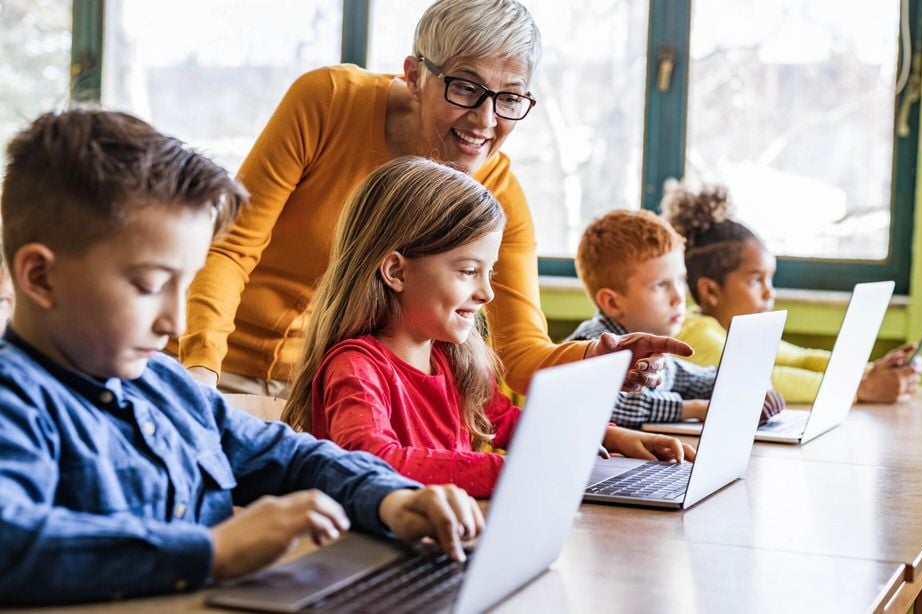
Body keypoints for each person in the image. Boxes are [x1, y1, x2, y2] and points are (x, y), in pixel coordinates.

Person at [0, 110, 482, 606]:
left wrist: (391, 500)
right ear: (39, 277)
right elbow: (11, 540)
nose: (176, 325)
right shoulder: (14, 402)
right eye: (148, 286)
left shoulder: (164, 383)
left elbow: (289, 456)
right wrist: (210, 551)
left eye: (185, 287)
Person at [174, 0, 688, 399]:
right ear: (416, 74)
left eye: (509, 98)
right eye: (465, 88)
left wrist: (598, 359)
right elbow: (230, 248)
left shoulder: (499, 195)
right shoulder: (328, 102)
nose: (485, 122)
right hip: (225, 371)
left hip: (339, 394)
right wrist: (200, 370)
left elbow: (521, 352)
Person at [282, 157, 695, 498]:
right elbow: (372, 460)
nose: (486, 294)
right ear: (395, 270)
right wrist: (510, 472)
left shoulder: (449, 359)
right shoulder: (356, 367)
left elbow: (511, 423)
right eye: (466, 271)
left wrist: (608, 436)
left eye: (489, 273)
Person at [662, 181, 922, 404]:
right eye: (755, 281)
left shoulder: (736, 331)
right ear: (710, 291)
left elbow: (802, 359)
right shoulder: (695, 335)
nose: (769, 294)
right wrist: (863, 388)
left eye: (770, 280)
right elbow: (759, 380)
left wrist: (873, 370)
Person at [567, 209, 784, 428]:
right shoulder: (590, 345)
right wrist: (696, 409)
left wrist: (751, 386)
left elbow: (694, 380)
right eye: (661, 285)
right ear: (613, 303)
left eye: (680, 280)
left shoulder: (656, 351)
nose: (679, 297)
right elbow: (611, 404)